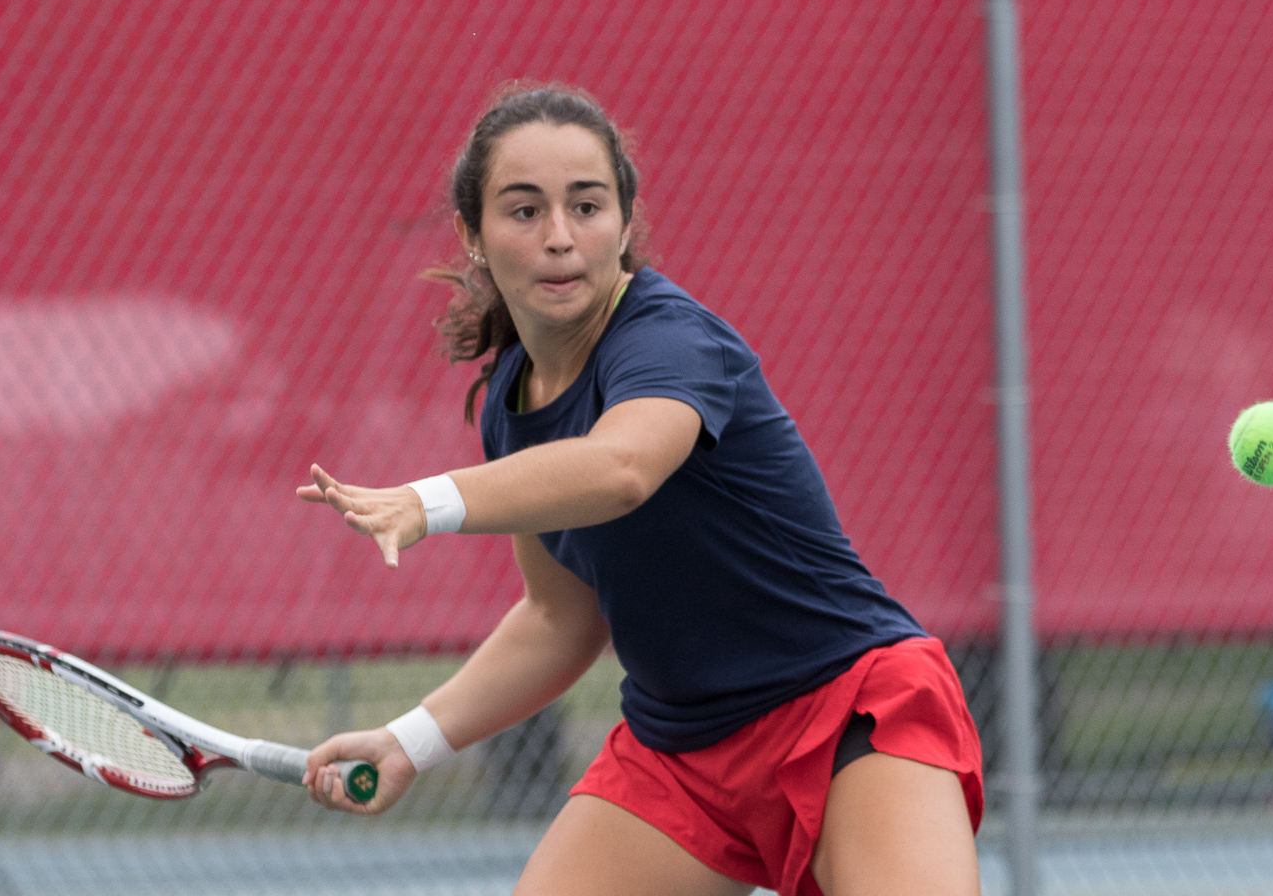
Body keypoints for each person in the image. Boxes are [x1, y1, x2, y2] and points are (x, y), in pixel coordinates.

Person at [297, 82, 985, 896]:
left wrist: (427, 502)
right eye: (525, 211)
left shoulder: (670, 339)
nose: (560, 237)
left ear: (624, 224)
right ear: (473, 235)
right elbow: (559, 617)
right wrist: (411, 741)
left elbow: (621, 469)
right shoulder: (511, 402)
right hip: (681, 755)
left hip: (845, 712)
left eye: (587, 207)